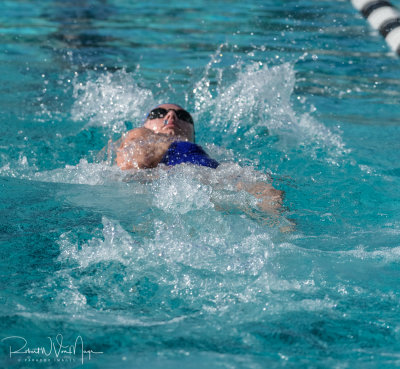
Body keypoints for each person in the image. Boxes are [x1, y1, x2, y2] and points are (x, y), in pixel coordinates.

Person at [116, 103, 284, 214]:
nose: (172, 116)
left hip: (212, 189)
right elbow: (132, 163)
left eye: (183, 116)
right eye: (159, 113)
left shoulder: (213, 154)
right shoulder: (139, 135)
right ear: (145, 124)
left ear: (193, 134)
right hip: (173, 189)